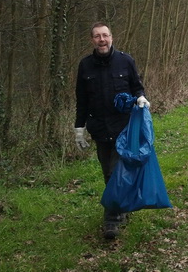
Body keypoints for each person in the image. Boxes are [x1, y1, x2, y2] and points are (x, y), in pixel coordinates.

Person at [74, 22, 150, 239]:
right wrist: (79, 127)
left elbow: (137, 86)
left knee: (114, 172)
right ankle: (122, 206)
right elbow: (81, 99)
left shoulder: (126, 61)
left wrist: (141, 97)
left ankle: (111, 221)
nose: (102, 40)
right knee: (108, 173)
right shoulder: (85, 65)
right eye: (97, 36)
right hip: (99, 129)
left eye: (105, 35)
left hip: (124, 129)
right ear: (92, 40)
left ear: (112, 38)